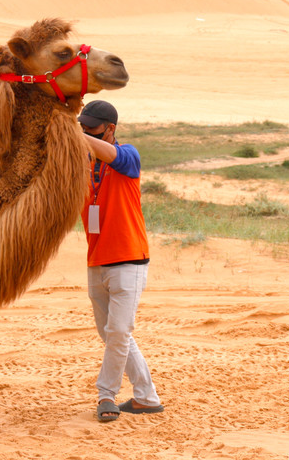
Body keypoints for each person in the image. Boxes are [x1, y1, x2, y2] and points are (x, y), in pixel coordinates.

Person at [78, 100, 164, 423]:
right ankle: (146, 396)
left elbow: (112, 156)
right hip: (96, 259)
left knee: (117, 332)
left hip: (128, 259)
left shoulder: (128, 155)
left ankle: (106, 395)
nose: (84, 132)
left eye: (91, 129)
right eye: (81, 127)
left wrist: (74, 136)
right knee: (113, 333)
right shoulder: (84, 163)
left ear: (110, 130)